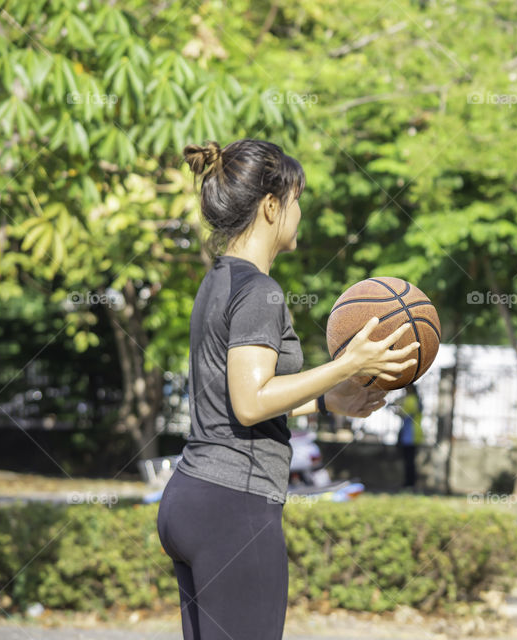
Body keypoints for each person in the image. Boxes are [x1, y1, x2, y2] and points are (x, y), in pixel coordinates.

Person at [155, 139, 419, 640]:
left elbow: (237, 398)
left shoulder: (217, 281)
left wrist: (325, 400)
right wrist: (348, 365)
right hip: (233, 506)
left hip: (191, 497)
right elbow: (251, 402)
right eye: (296, 200)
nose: (301, 211)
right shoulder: (260, 291)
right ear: (271, 206)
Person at [396, 384, 423, 490]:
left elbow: (405, 414)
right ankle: (410, 483)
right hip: (413, 434)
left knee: (409, 461)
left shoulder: (410, 399)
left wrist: (396, 409)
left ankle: (409, 483)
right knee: (410, 460)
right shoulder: (416, 399)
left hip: (410, 434)